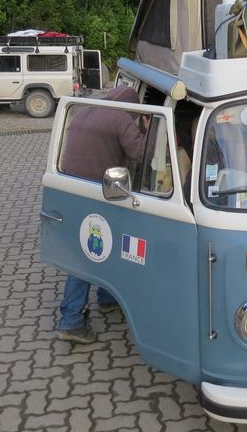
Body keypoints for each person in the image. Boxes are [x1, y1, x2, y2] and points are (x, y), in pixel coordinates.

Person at [56, 85, 149, 343]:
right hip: (99, 194)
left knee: (105, 246)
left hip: (72, 188)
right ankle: (71, 321)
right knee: (88, 254)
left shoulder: (85, 111)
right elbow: (141, 152)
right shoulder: (121, 117)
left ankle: (107, 297)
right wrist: (147, 128)